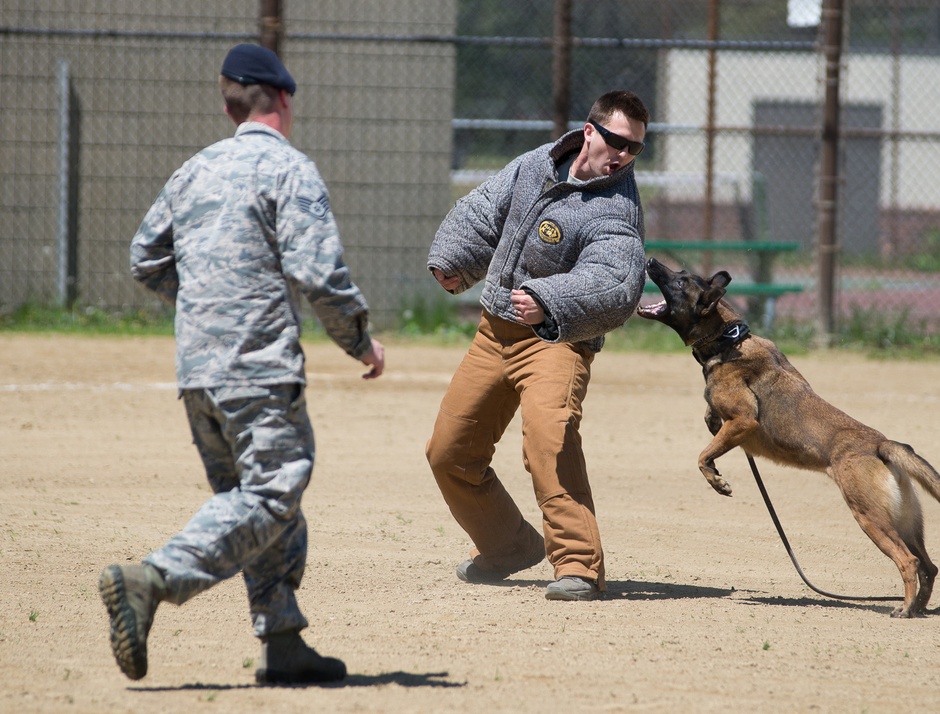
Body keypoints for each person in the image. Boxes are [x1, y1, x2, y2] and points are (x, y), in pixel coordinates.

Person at [99, 43, 385, 685]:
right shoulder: (289, 169)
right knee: (274, 491)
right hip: (257, 364)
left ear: (229, 103)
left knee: (250, 499)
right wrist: (360, 341)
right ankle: (151, 580)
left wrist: (204, 300)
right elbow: (318, 272)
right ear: (282, 98)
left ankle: (282, 641)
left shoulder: (194, 169)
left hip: (197, 369)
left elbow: (145, 257)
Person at [425, 90, 649, 601]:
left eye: (635, 148)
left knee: (550, 439)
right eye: (616, 140)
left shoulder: (618, 208)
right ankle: (507, 548)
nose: (622, 154)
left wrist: (549, 300)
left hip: (557, 341)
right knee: (450, 454)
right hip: (494, 332)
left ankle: (578, 565)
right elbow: (486, 207)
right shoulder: (536, 164)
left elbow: (615, 280)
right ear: (589, 131)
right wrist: (456, 258)